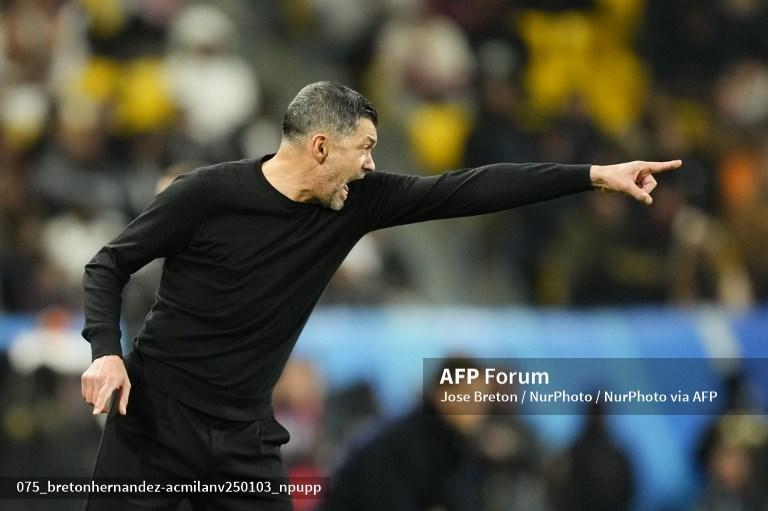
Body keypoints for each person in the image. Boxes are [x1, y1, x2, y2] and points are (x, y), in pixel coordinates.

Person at [80, 81, 681, 510]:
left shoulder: (355, 204)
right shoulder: (206, 194)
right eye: (364, 147)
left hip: (243, 436)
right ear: (321, 146)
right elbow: (109, 264)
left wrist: (593, 175)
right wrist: (106, 351)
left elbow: (468, 189)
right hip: (155, 420)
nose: (371, 164)